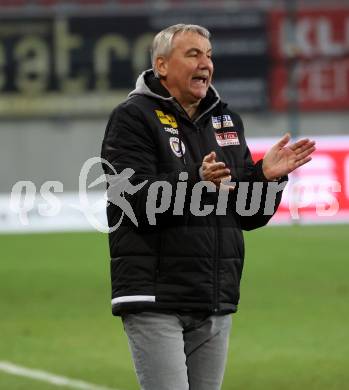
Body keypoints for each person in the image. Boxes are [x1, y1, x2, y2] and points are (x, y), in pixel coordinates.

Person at [101, 24, 315, 390]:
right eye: (194, 54)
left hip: (212, 296)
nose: (206, 63)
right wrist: (196, 181)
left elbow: (248, 215)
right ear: (162, 65)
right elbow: (130, 197)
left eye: (209, 55)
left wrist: (266, 177)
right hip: (156, 295)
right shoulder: (133, 117)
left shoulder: (226, 120)